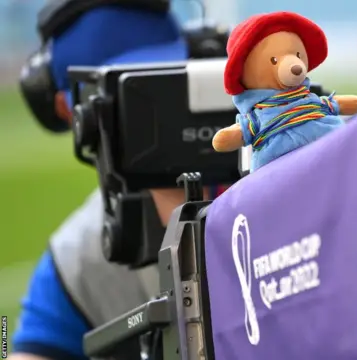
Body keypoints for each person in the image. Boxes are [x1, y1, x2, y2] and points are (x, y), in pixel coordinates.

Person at [9, 3, 228, 360]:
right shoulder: (77, 260)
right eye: (136, 94)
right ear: (72, 114)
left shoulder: (279, 173)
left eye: (167, 77)